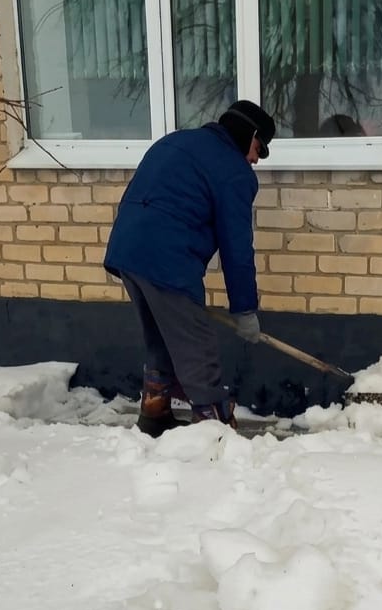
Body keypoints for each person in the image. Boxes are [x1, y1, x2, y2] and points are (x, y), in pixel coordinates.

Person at [104, 100, 276, 437]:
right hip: (167, 258)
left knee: (161, 339)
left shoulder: (175, 141)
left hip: (127, 250)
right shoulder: (233, 171)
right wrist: (244, 309)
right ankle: (214, 430)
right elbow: (236, 248)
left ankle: (155, 411)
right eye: (259, 148)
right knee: (196, 346)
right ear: (249, 135)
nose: (255, 159)